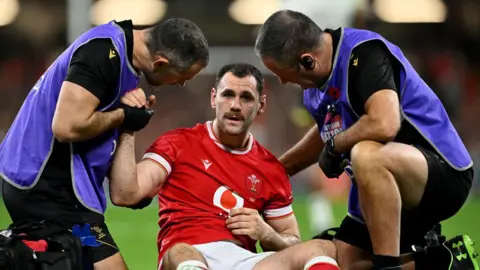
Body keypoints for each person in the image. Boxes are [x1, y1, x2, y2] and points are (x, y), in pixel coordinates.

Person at [254, 9, 478, 270]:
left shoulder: (364, 53)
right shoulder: (314, 89)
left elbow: (385, 123)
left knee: (365, 153)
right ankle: (443, 262)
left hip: (442, 172)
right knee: (347, 261)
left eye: (281, 72)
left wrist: (336, 146)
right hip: (381, 185)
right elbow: (325, 132)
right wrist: (274, 172)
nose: (282, 81)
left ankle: (388, 265)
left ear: (307, 61)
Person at [0, 18, 209, 269]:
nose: (181, 84)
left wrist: (127, 124)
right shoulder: (101, 53)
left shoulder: (121, 54)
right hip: (47, 185)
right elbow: (66, 127)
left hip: (51, 183)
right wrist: (123, 115)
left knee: (68, 262)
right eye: (183, 76)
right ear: (160, 63)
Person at [108, 63, 339, 270]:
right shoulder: (178, 144)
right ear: (213, 98)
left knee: (321, 249)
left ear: (261, 105)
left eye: (246, 97)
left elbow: (292, 241)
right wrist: (128, 130)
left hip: (244, 261)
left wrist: (266, 233)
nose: (235, 105)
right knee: (181, 253)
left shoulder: (270, 168)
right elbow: (125, 194)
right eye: (228, 95)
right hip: (189, 255)